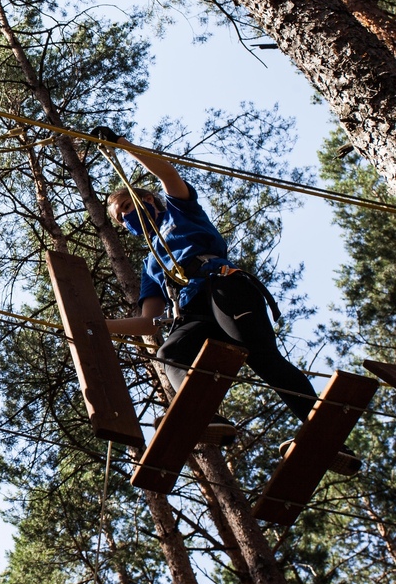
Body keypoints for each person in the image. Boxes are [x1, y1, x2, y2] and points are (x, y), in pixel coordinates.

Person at [95, 126, 360, 474]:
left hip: (224, 287)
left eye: (129, 205)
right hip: (192, 311)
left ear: (150, 200)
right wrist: (95, 326)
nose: (128, 215)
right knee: (170, 352)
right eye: (120, 217)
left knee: (261, 356)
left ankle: (328, 437)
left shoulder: (180, 211)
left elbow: (167, 173)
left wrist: (121, 146)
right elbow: (148, 321)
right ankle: (208, 419)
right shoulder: (150, 264)